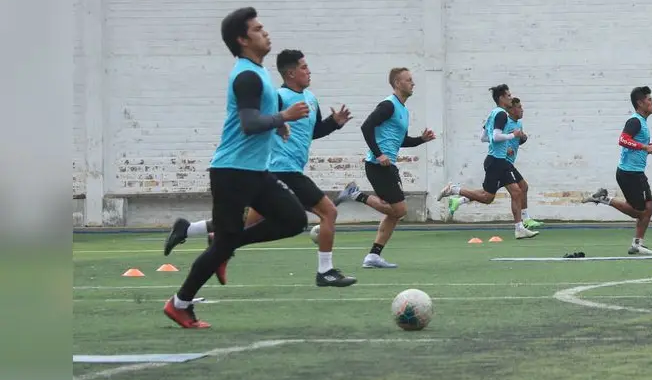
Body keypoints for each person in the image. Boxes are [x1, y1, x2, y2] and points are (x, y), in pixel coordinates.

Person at [163, 7, 310, 329]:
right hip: (232, 172)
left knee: (294, 219)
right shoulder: (246, 75)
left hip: (253, 172)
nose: (265, 33)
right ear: (243, 40)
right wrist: (283, 118)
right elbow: (248, 123)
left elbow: (260, 117)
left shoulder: (257, 72)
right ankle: (180, 304)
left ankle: (223, 246)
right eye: (258, 29)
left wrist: (276, 125)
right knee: (227, 241)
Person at [162, 49, 357, 288]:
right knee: (329, 212)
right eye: (304, 68)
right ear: (291, 73)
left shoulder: (312, 99)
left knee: (245, 224)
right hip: (280, 168)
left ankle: (189, 230)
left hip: (291, 169)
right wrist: (279, 124)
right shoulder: (278, 98)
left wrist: (334, 124)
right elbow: (260, 123)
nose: (309, 71)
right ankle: (325, 271)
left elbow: (311, 132)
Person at [336, 68, 436, 269]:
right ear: (398, 83)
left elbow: (401, 140)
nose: (413, 83)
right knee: (399, 210)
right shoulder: (388, 105)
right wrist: (379, 153)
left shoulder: (403, 110)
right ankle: (355, 194)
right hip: (377, 165)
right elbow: (366, 126)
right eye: (409, 80)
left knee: (394, 213)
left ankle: (373, 256)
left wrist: (421, 140)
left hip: (388, 165)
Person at [435, 85, 538, 240]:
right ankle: (454, 189)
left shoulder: (493, 114)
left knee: (516, 191)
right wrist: (512, 135)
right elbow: (495, 136)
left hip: (499, 160)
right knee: (487, 198)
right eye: (508, 96)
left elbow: (484, 137)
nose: (511, 98)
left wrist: (506, 138)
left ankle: (519, 228)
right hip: (496, 161)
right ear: (501, 98)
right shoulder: (502, 114)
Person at [582, 86, 652, 255]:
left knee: (648, 208)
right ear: (640, 103)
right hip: (629, 173)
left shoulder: (642, 123)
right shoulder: (635, 121)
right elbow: (623, 140)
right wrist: (645, 146)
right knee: (641, 211)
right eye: (649, 99)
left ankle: (637, 243)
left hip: (635, 172)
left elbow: (647, 149)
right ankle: (605, 199)